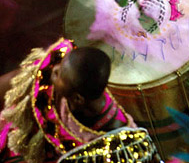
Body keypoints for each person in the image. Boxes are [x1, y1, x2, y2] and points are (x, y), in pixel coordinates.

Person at [0, 38, 135, 163]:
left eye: (60, 75)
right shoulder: (65, 64)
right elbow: (16, 80)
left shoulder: (113, 137)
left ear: (77, 99)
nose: (55, 69)